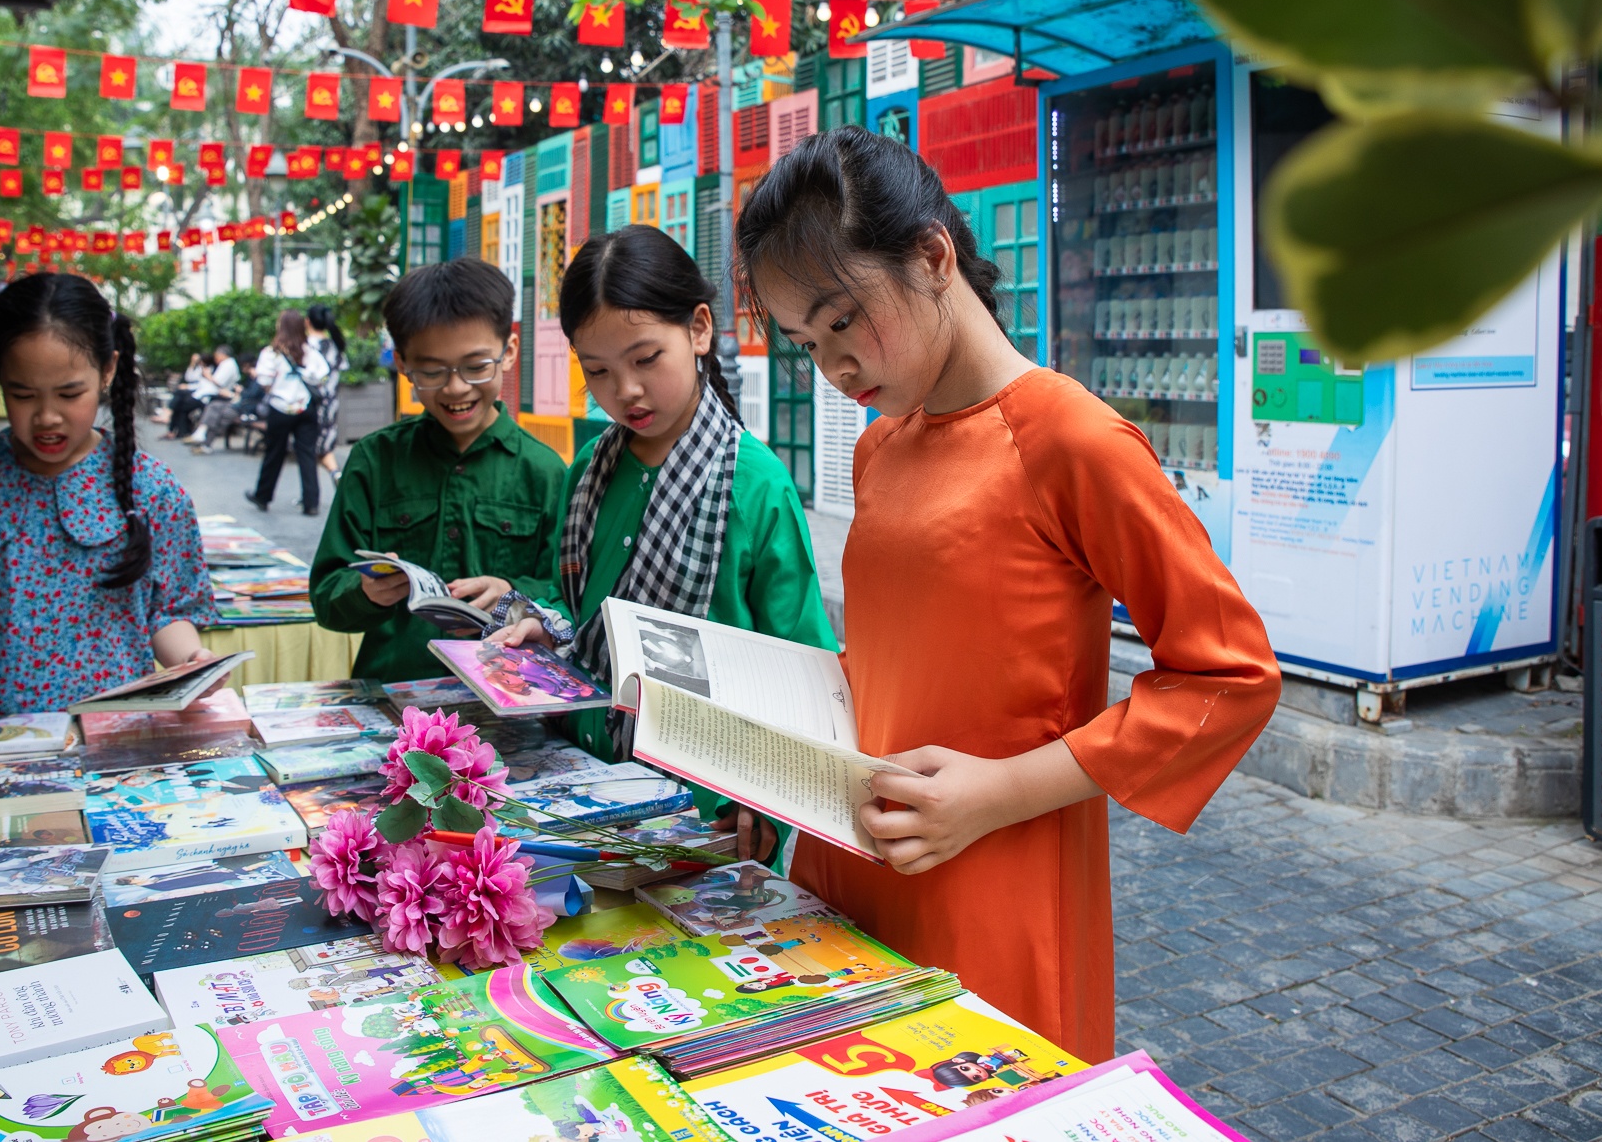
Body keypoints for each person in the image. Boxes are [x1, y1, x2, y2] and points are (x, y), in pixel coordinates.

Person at [734, 127, 1279, 1062]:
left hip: (996, 872)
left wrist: (996, 793)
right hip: (857, 855)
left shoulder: (1073, 439)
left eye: (841, 319)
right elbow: (905, 647)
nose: (833, 365)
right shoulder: (881, 444)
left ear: (933, 256)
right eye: (803, 341)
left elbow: (1227, 675)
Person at [491, 226, 836, 865]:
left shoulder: (755, 485)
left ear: (699, 329)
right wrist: (545, 631)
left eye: (646, 358)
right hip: (584, 787)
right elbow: (582, 614)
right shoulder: (590, 470)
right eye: (597, 370)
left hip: (704, 811)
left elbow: (805, 670)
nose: (626, 390)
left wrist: (759, 800)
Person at [0, 272, 214, 723]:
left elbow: (166, 613)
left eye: (70, 394)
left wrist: (191, 660)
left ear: (108, 371)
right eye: (23, 394)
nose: (47, 417)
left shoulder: (153, 491)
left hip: (108, 747)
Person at [307, 258, 566, 682]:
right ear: (403, 365)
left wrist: (514, 594)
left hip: (506, 697)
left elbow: (567, 599)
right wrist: (366, 592)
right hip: (392, 695)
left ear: (509, 353)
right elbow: (326, 598)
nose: (455, 387)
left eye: (476, 366)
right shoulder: (375, 461)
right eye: (431, 370)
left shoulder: (545, 472)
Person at [245, 309, 341, 514]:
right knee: (307, 454)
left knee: (274, 453)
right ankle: (311, 503)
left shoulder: (271, 353)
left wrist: (275, 385)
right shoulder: (309, 351)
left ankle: (263, 496)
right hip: (306, 408)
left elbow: (263, 380)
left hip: (280, 408)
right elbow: (322, 375)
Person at [302, 302, 348, 478]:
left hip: (310, 404)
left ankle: (334, 475)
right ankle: (317, 488)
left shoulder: (305, 347)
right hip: (331, 403)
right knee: (321, 446)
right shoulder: (335, 345)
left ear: (307, 321)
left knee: (309, 448)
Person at [178, 345, 242, 445]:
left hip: (221, 396)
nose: (215, 359)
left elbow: (218, 382)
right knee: (183, 400)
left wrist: (207, 375)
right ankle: (198, 433)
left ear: (222, 354)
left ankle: (199, 434)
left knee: (195, 405)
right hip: (215, 395)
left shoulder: (228, 364)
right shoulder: (227, 364)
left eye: (216, 356)